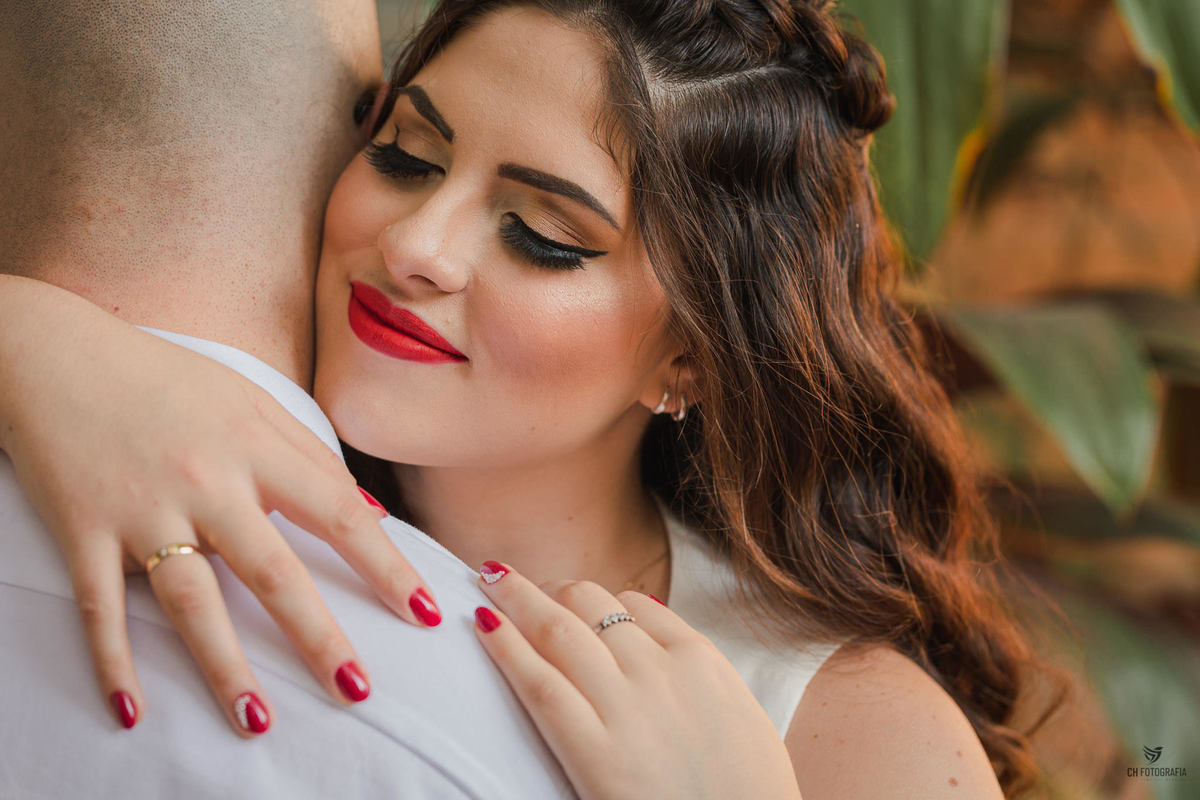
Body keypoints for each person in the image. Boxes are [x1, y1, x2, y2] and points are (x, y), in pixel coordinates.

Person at [0, 0, 1053, 797]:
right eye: (406, 156)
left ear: (690, 359)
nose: (416, 248)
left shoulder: (853, 730)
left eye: (544, 237)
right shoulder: (159, 417)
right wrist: (36, 343)